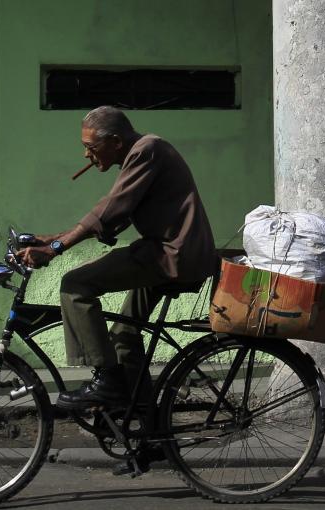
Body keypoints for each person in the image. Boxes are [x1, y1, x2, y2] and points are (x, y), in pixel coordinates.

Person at [16, 106, 219, 410]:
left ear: (115, 142)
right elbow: (114, 214)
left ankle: (107, 382)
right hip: (170, 253)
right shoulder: (140, 154)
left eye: (90, 147)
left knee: (75, 285)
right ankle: (146, 428)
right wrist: (52, 238)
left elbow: (112, 208)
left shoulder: (147, 150)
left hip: (171, 255)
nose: (86, 155)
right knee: (125, 334)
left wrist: (55, 249)